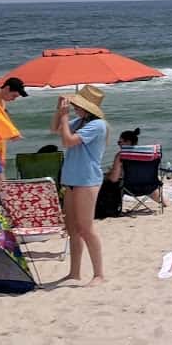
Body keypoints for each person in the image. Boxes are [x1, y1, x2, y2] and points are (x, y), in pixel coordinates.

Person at [52, 84, 108, 284]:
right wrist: (60, 112)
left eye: (78, 105)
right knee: (72, 228)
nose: (75, 107)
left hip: (87, 180)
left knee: (86, 228)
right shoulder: (80, 121)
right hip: (72, 179)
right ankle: (74, 272)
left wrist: (66, 116)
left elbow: (68, 141)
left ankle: (99, 274)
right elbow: (55, 129)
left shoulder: (97, 125)